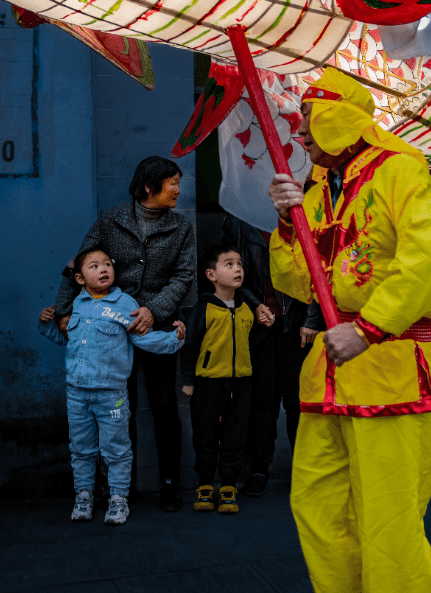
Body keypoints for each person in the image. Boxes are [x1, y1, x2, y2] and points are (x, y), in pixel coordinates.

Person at [267, 68, 431, 593]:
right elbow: (295, 280)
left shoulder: (400, 169)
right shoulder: (319, 188)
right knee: (317, 504)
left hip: (389, 360)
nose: (298, 131)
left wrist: (369, 329)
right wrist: (289, 221)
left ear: (337, 115)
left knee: (388, 516)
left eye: (306, 117)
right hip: (330, 369)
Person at [46, 155, 196, 512]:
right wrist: (65, 311)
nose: (178, 188)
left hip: (155, 326)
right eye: (172, 182)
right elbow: (77, 265)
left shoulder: (181, 227)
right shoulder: (111, 220)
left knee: (164, 408)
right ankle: (117, 491)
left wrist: (153, 310)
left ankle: (170, 484)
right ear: (149, 187)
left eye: (178, 182)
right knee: (116, 409)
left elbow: (183, 275)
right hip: (110, 330)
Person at [39, 247, 186, 526]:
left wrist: (174, 339)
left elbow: (145, 339)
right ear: (80, 279)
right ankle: (84, 496)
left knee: (116, 448)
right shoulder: (76, 307)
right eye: (94, 266)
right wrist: (47, 322)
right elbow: (63, 341)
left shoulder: (124, 303)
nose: (103, 269)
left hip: (112, 395)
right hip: (77, 392)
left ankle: (119, 498)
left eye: (107, 264)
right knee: (81, 448)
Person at [221, 212, 312, 497]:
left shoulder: (305, 211)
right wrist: (256, 305)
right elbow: (227, 269)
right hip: (257, 324)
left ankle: (305, 469)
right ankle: (259, 466)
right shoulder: (239, 218)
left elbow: (319, 269)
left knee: (299, 401)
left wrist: (311, 320)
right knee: (262, 400)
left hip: (297, 323)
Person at [180, 244, 274, 514]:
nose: (237, 269)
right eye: (229, 264)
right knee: (206, 436)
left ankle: (229, 486)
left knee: (235, 436)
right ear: (211, 274)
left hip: (241, 384)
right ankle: (206, 485)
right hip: (208, 384)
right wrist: (189, 380)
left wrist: (265, 327)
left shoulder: (247, 310)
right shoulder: (203, 309)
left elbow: (251, 343)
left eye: (240, 264)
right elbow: (190, 347)